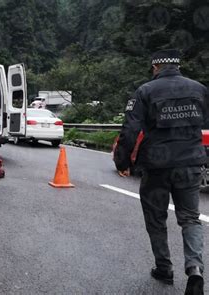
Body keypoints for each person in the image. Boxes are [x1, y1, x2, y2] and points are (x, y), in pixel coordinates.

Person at [114, 49, 207, 294]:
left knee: (156, 218)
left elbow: (130, 129)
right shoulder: (199, 89)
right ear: (178, 66)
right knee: (190, 217)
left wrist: (122, 162)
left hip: (157, 166)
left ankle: (164, 268)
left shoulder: (145, 91)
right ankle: (195, 268)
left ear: (155, 67)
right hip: (190, 163)